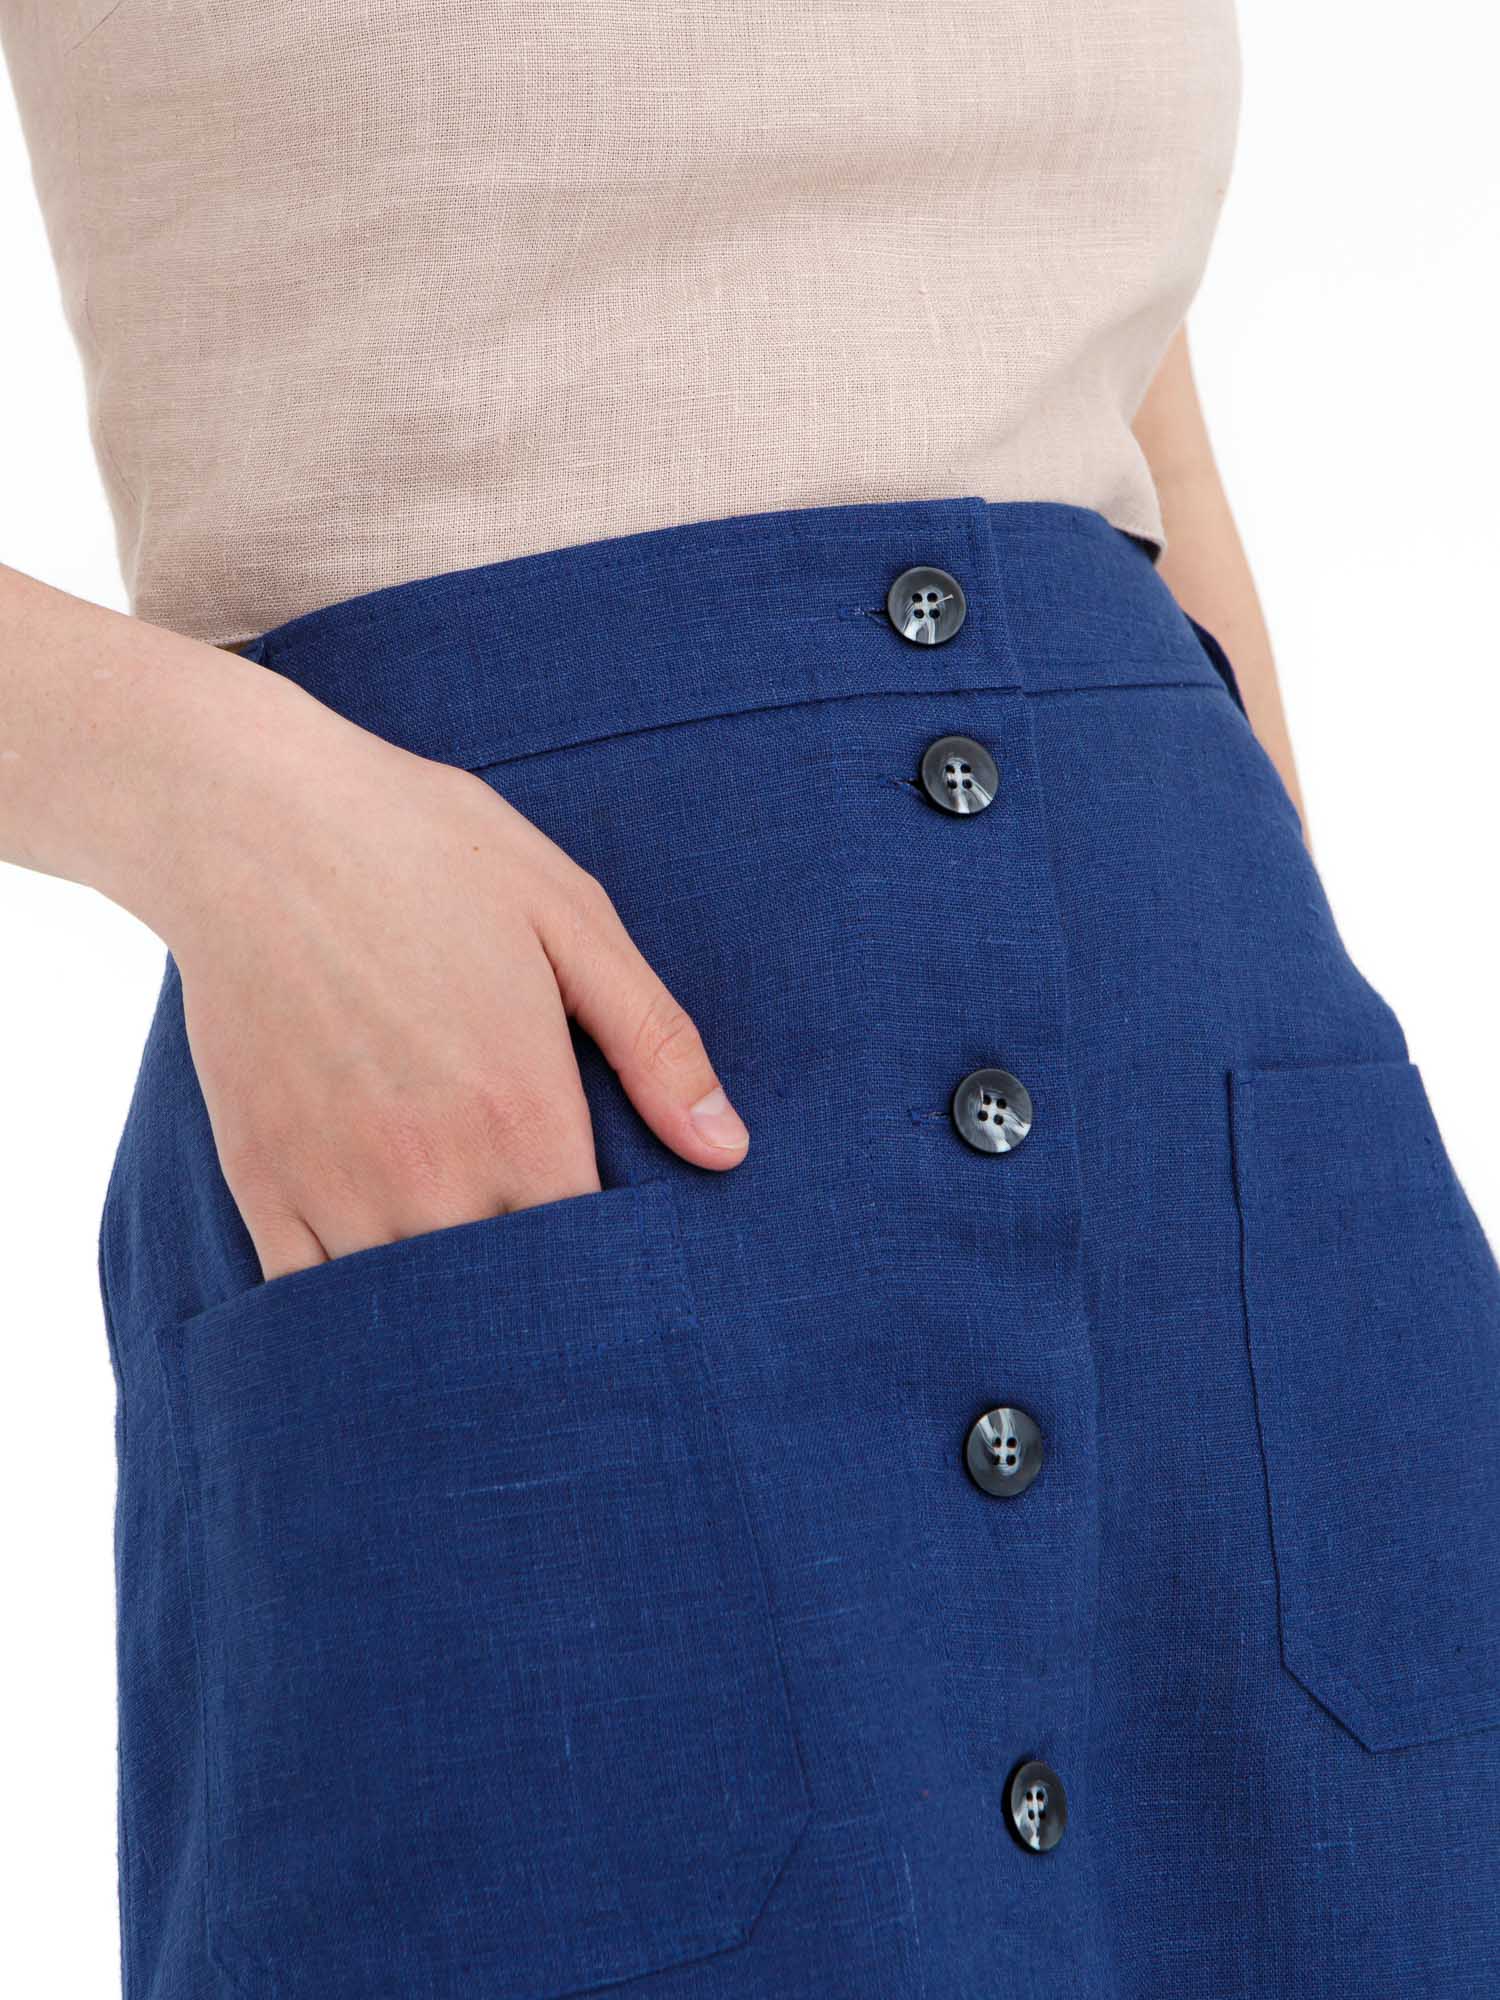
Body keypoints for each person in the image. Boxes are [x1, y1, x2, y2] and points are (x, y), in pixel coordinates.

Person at [2, 5, 1496, 1996]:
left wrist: (1288, 991)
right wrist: (216, 803)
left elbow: (1118, 389)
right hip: (512, 1149)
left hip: (1223, 1173)